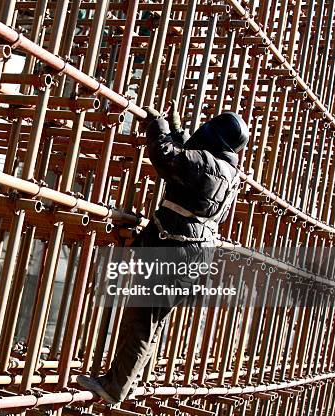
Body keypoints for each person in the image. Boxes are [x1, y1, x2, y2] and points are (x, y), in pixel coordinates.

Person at [77, 101, 250, 404]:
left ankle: (115, 387)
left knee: (142, 321)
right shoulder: (228, 171)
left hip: (177, 251)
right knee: (151, 322)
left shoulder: (208, 166)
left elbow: (169, 158)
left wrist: (158, 127)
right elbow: (191, 164)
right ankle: (123, 383)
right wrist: (178, 130)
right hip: (192, 255)